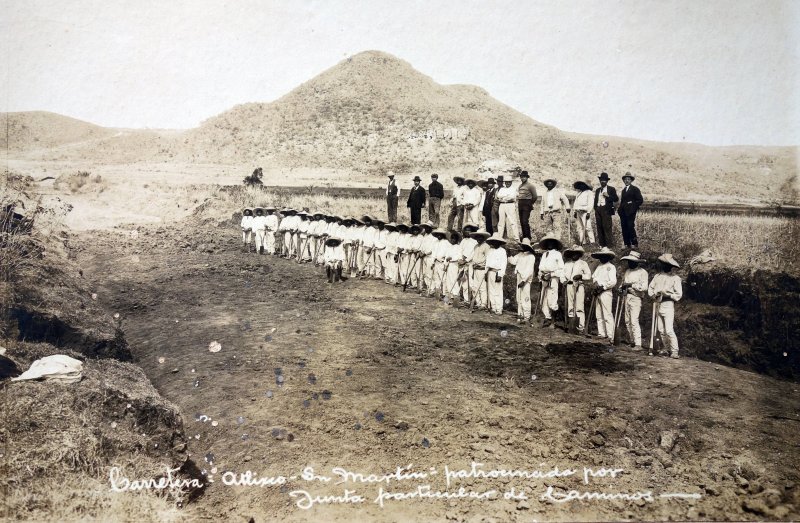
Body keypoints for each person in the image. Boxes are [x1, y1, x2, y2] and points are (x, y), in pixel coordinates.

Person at [648, 253, 682, 358]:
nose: (665, 266)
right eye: (664, 264)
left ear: (671, 266)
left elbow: (678, 294)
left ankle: (675, 350)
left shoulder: (675, 278)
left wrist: (668, 294)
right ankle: (666, 349)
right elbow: (651, 288)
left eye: (667, 265)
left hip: (668, 304)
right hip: (657, 304)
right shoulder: (657, 277)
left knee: (669, 329)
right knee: (661, 329)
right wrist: (653, 295)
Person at [619, 251, 649, 350]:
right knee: (627, 320)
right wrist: (621, 288)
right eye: (629, 261)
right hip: (626, 296)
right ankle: (632, 340)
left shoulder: (643, 272)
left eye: (632, 261)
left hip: (636, 298)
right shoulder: (627, 271)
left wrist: (632, 285)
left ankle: (638, 343)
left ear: (637, 262)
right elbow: (623, 283)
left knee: (634, 320)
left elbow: (644, 287)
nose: (630, 263)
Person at [537, 234, 565, 327]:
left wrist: (551, 275)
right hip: (544, 279)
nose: (550, 244)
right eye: (548, 242)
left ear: (555, 243)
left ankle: (553, 321)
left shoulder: (557, 254)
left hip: (553, 279)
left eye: (552, 242)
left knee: (552, 300)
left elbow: (561, 269)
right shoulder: (544, 254)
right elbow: (540, 268)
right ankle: (547, 318)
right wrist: (541, 276)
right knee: (543, 300)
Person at [563, 245, 592, 333]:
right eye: (572, 253)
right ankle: (571, 325)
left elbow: (588, 276)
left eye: (575, 253)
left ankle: (580, 327)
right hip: (569, 285)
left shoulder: (583, 263)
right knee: (570, 306)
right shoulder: (567, 264)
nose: (573, 255)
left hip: (579, 286)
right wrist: (563, 280)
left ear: (579, 254)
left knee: (579, 306)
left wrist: (581, 276)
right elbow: (562, 274)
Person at [590, 247, 617, 340]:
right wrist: (595, 284)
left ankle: (611, 335)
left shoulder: (611, 267)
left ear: (608, 257)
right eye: (601, 256)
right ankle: (602, 333)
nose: (602, 258)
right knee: (599, 313)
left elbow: (613, 281)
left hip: (606, 292)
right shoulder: (599, 266)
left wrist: (603, 287)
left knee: (607, 313)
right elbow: (594, 277)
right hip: (598, 292)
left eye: (604, 256)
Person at [507, 238, 537, 323]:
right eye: (522, 245)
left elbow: (529, 270)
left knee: (525, 297)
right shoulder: (520, 254)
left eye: (525, 246)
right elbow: (513, 261)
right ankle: (520, 314)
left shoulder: (531, 257)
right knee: (519, 297)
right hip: (519, 276)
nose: (523, 247)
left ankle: (526, 316)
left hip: (526, 279)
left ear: (528, 247)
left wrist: (523, 281)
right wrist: (509, 254)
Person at [539, 178, 571, 243]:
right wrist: (541, 213)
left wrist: (567, 207)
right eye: (548, 184)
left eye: (551, 184)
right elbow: (542, 203)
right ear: (546, 185)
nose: (549, 185)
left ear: (553, 185)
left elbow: (565, 199)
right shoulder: (545, 193)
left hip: (556, 212)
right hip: (547, 212)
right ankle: (550, 241)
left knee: (557, 226)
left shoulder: (558, 191)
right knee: (548, 227)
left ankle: (557, 241)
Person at [618, 172, 643, 249]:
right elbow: (622, 202)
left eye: (628, 179)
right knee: (624, 227)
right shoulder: (623, 190)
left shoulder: (635, 189)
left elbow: (640, 200)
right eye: (625, 179)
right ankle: (626, 244)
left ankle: (634, 244)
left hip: (631, 213)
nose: (627, 181)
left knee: (630, 227)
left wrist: (632, 207)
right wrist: (620, 210)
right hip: (623, 213)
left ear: (631, 180)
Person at [484, 233, 508, 315]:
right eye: (493, 241)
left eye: (497, 241)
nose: (495, 243)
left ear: (499, 242)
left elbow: (504, 264)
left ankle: (499, 308)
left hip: (497, 272)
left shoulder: (502, 251)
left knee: (498, 291)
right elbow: (487, 263)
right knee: (491, 290)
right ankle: (493, 307)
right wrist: (485, 273)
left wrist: (500, 274)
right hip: (490, 272)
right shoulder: (490, 251)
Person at [593, 172, 618, 248]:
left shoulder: (611, 189)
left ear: (607, 181)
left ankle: (608, 245)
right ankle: (602, 244)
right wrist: (596, 208)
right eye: (601, 180)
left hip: (606, 210)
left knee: (607, 227)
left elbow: (616, 199)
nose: (602, 181)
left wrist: (608, 196)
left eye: (604, 180)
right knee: (599, 227)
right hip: (598, 210)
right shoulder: (597, 190)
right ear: (600, 181)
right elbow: (596, 200)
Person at [469, 229, 492, 309]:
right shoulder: (476, 246)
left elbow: (488, 259)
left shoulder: (486, 246)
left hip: (482, 269)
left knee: (482, 287)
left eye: (480, 238)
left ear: (483, 238)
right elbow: (473, 257)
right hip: (475, 268)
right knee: (475, 286)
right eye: (477, 237)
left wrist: (484, 269)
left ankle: (483, 304)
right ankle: (477, 302)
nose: (478, 239)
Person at [517, 171, 538, 240]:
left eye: (524, 177)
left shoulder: (531, 186)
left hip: (527, 204)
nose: (522, 178)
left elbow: (535, 196)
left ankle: (528, 237)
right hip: (520, 204)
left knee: (525, 221)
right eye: (521, 177)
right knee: (521, 221)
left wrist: (529, 203)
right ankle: (524, 237)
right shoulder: (520, 186)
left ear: (527, 177)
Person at [430, 228, 450, 297]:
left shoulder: (446, 243)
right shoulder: (435, 242)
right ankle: (438, 291)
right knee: (436, 277)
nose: (439, 235)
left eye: (440, 234)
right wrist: (432, 263)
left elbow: (448, 254)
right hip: (436, 262)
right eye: (437, 234)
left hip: (442, 262)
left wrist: (445, 263)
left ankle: (444, 293)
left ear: (443, 235)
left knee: (443, 278)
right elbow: (433, 253)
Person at [444, 231, 463, 300]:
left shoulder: (458, 247)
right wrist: (445, 265)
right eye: (451, 239)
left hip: (455, 264)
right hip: (449, 264)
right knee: (448, 280)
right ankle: (450, 293)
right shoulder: (449, 247)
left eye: (454, 239)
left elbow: (459, 257)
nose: (452, 240)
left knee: (454, 279)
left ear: (457, 240)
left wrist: (452, 258)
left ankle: (456, 294)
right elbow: (446, 257)